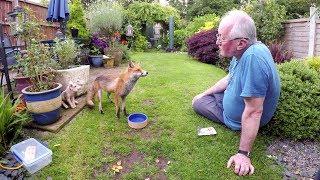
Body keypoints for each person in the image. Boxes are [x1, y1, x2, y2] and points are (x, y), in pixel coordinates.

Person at [192, 10, 280, 176]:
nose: (217, 42)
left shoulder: (253, 58)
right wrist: (204, 93)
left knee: (198, 104)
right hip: (235, 103)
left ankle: (226, 115)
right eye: (218, 36)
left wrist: (243, 154)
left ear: (241, 43)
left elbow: (254, 111)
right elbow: (229, 79)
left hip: (237, 119)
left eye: (222, 38)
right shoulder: (242, 52)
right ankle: (216, 101)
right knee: (203, 98)